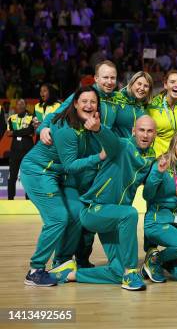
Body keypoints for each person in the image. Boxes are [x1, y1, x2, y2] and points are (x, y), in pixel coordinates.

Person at [20, 87, 106, 286]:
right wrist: (99, 157)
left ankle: (62, 261)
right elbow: (71, 166)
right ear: (74, 103)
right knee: (58, 218)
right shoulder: (67, 129)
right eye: (84, 101)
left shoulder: (86, 125)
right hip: (38, 171)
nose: (88, 105)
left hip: (57, 174)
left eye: (93, 102)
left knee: (76, 214)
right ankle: (35, 269)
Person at [66, 115, 158, 291]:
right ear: (133, 131)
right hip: (94, 210)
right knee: (130, 213)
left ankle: (72, 274)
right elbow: (111, 141)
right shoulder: (123, 146)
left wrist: (161, 172)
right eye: (141, 130)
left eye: (149, 131)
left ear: (155, 134)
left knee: (117, 272)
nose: (145, 135)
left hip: (114, 219)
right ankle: (132, 272)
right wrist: (99, 129)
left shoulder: (150, 159)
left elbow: (150, 190)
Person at [141, 132, 177, 283]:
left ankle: (156, 260)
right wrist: (158, 173)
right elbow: (147, 195)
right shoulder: (162, 165)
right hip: (157, 221)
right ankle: (154, 259)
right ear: (172, 149)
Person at [38, 60, 119, 144]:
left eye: (113, 78)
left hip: (107, 150)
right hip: (83, 151)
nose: (109, 82)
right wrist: (43, 128)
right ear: (96, 78)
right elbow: (56, 114)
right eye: (105, 77)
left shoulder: (117, 98)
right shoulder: (83, 95)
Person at [148, 70, 177, 157]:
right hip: (160, 156)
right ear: (165, 85)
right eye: (172, 82)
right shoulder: (153, 106)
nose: (176, 85)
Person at [6, 99, 35, 200]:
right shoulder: (11, 118)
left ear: (25, 105)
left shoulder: (31, 117)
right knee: (12, 177)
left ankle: (28, 199)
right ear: (16, 106)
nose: (20, 106)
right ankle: (10, 199)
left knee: (27, 176)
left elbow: (31, 130)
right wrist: (24, 132)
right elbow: (9, 133)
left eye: (22, 104)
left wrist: (15, 133)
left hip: (28, 152)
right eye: (18, 104)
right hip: (14, 152)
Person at [113, 71, 154, 138]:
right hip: (118, 146)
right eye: (139, 84)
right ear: (132, 84)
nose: (142, 88)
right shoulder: (117, 99)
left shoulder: (147, 107)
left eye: (146, 86)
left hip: (138, 148)